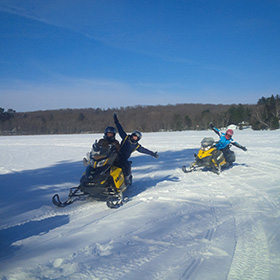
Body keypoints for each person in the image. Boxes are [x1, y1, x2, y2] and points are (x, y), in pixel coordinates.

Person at [113, 113, 159, 184]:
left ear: (138, 139)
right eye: (134, 136)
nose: (134, 138)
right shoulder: (126, 138)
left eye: (136, 137)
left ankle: (126, 180)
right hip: (117, 155)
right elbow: (120, 130)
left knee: (124, 167)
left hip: (123, 159)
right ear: (132, 135)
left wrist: (153, 154)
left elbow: (144, 150)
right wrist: (116, 121)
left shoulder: (136, 146)